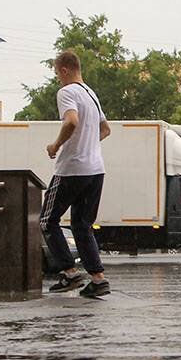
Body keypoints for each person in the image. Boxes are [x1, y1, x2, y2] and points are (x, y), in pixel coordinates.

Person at [41, 50, 112, 298]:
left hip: (72, 169)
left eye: (56, 73)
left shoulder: (67, 92)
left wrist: (56, 146)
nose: (57, 79)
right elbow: (105, 129)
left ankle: (70, 273)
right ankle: (98, 278)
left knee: (47, 221)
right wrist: (88, 144)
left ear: (63, 70)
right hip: (96, 170)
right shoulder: (91, 94)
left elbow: (71, 122)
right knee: (82, 225)